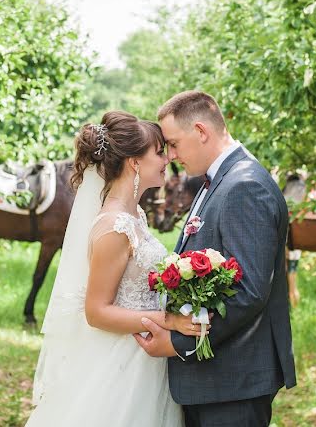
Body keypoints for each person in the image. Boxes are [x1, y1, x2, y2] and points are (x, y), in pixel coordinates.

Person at [135, 91, 296, 427]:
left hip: (233, 383)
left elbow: (250, 291)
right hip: (215, 381)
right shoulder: (219, 180)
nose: (173, 155)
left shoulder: (245, 186)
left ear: (201, 131)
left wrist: (179, 341)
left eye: (175, 144)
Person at [27, 111, 193, 427]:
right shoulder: (115, 227)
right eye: (159, 152)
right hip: (122, 362)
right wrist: (168, 321)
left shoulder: (136, 217)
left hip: (144, 355)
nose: (166, 159)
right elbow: (96, 311)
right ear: (134, 162)